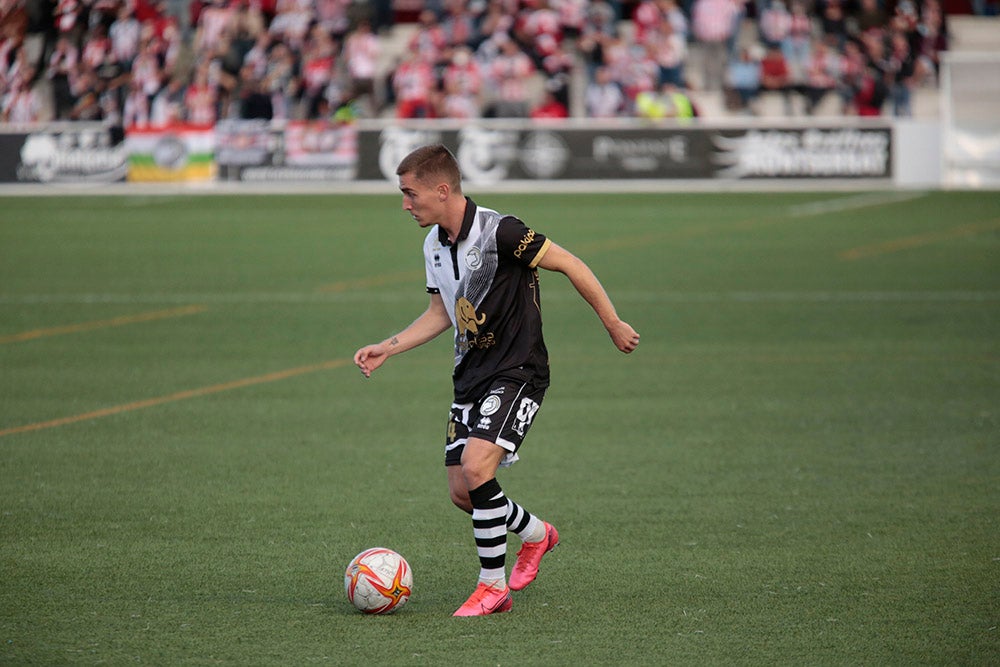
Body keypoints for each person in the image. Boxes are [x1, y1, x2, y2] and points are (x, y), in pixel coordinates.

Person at [353, 144, 640, 617]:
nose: (405, 204)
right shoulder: (432, 245)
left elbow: (570, 263)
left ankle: (493, 587)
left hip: (519, 370)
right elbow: (441, 312)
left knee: (477, 466)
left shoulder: (501, 231)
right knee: (463, 492)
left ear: (442, 190)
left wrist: (611, 322)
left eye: (410, 193)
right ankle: (535, 534)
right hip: (470, 376)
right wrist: (390, 346)